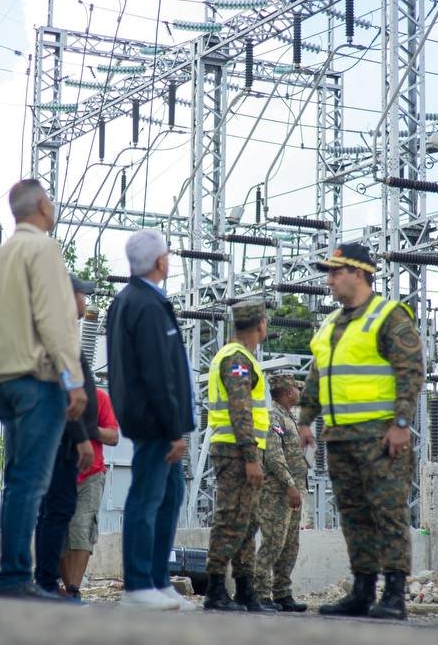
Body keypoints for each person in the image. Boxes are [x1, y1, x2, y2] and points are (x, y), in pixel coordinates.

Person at [298, 243, 424, 620]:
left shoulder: (388, 316)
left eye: (336, 272)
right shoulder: (330, 325)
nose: (329, 280)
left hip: (381, 437)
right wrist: (305, 418)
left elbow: (411, 371)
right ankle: (362, 590)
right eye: (329, 273)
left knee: (388, 514)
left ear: (359, 274)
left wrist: (401, 424)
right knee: (354, 516)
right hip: (339, 439)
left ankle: (395, 594)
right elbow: (319, 374)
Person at [0, 179, 87, 600]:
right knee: (31, 484)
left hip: (2, 380)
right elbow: (53, 318)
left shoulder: (1, 253)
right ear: (43, 205)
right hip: (36, 379)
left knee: (15, 482)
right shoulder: (44, 248)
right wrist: (73, 378)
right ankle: (13, 579)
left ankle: (11, 575)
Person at [107, 229, 195, 612]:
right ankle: (139, 584)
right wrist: (173, 427)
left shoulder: (129, 300)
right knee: (146, 498)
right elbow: (159, 372)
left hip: (150, 417)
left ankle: (158, 581)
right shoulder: (145, 304)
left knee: (170, 495)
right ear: (161, 261)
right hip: (156, 422)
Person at [32, 275, 99, 599]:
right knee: (56, 510)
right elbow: (66, 392)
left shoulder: (63, 334)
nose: (85, 302)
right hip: (63, 440)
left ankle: (44, 580)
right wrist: (81, 436)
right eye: (81, 295)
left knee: (55, 510)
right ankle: (44, 581)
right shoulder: (60, 336)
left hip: (63, 438)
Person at [203, 300, 272, 613]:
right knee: (231, 518)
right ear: (260, 324)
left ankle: (246, 589)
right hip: (235, 450)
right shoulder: (237, 359)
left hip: (243, 448)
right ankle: (215, 590)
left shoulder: (240, 357)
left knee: (248, 520)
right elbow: (240, 407)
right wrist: (249, 456)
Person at [253, 374, 309, 612]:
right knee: (273, 543)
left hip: (292, 491)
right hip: (278, 492)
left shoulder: (288, 418)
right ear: (288, 392)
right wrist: (290, 485)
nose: (299, 392)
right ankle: (260, 593)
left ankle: (282, 593)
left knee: (289, 545)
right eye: (297, 389)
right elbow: (274, 457)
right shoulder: (272, 416)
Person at [59, 388, 119, 602]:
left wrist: (87, 430)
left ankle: (74, 588)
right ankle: (68, 589)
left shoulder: (100, 398)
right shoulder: (57, 394)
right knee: (60, 533)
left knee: (82, 527)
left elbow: (113, 436)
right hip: (60, 473)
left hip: (91, 474)